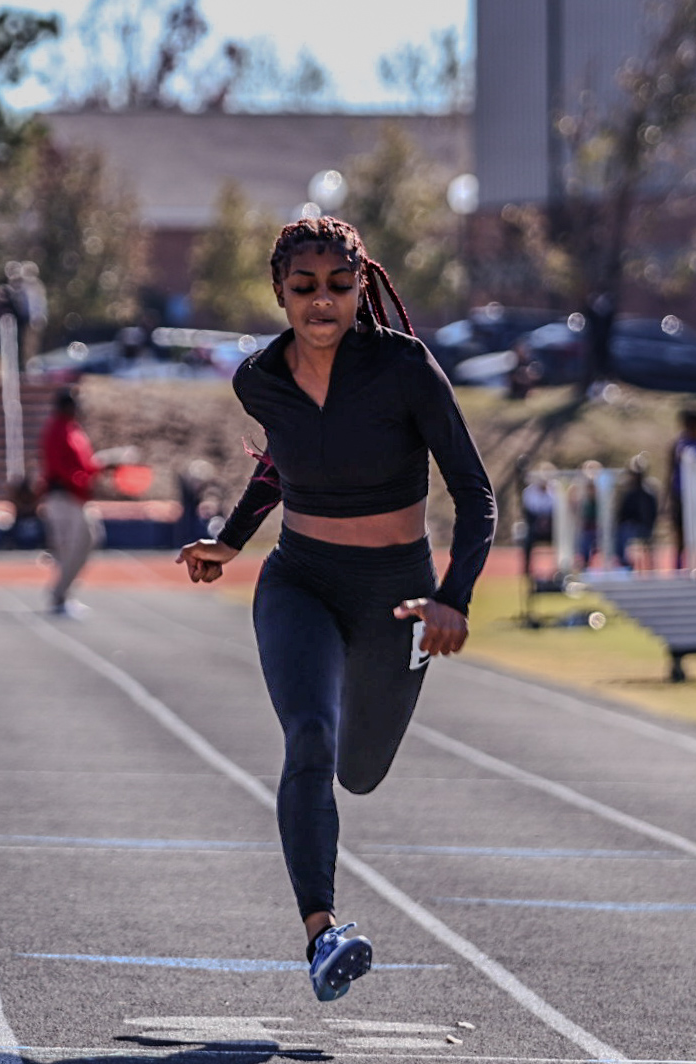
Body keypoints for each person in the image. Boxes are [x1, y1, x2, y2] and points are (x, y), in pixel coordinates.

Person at [177, 216, 495, 1003]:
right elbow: (280, 465)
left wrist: (452, 601)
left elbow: (478, 498)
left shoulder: (404, 368)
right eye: (304, 287)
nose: (322, 302)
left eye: (338, 286)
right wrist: (231, 542)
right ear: (280, 293)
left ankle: (329, 889)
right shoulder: (258, 378)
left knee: (360, 771)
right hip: (301, 581)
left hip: (398, 597)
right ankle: (323, 935)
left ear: (361, 286)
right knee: (310, 739)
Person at [38, 385, 107, 616]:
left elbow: (82, 463)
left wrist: (97, 469)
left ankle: (62, 593)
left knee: (83, 541)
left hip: (76, 496)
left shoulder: (72, 429)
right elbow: (62, 467)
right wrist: (82, 481)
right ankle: (60, 596)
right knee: (71, 545)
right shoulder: (58, 430)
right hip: (64, 496)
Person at [667, 406, 696, 568]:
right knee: (680, 532)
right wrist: (666, 499)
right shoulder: (677, 445)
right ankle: (679, 567)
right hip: (680, 494)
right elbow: (670, 472)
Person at [615, 454, 659, 570]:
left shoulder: (649, 491)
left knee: (626, 532)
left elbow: (652, 514)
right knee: (620, 533)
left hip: (643, 528)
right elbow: (623, 512)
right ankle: (625, 565)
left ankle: (628, 565)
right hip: (629, 526)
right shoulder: (627, 491)